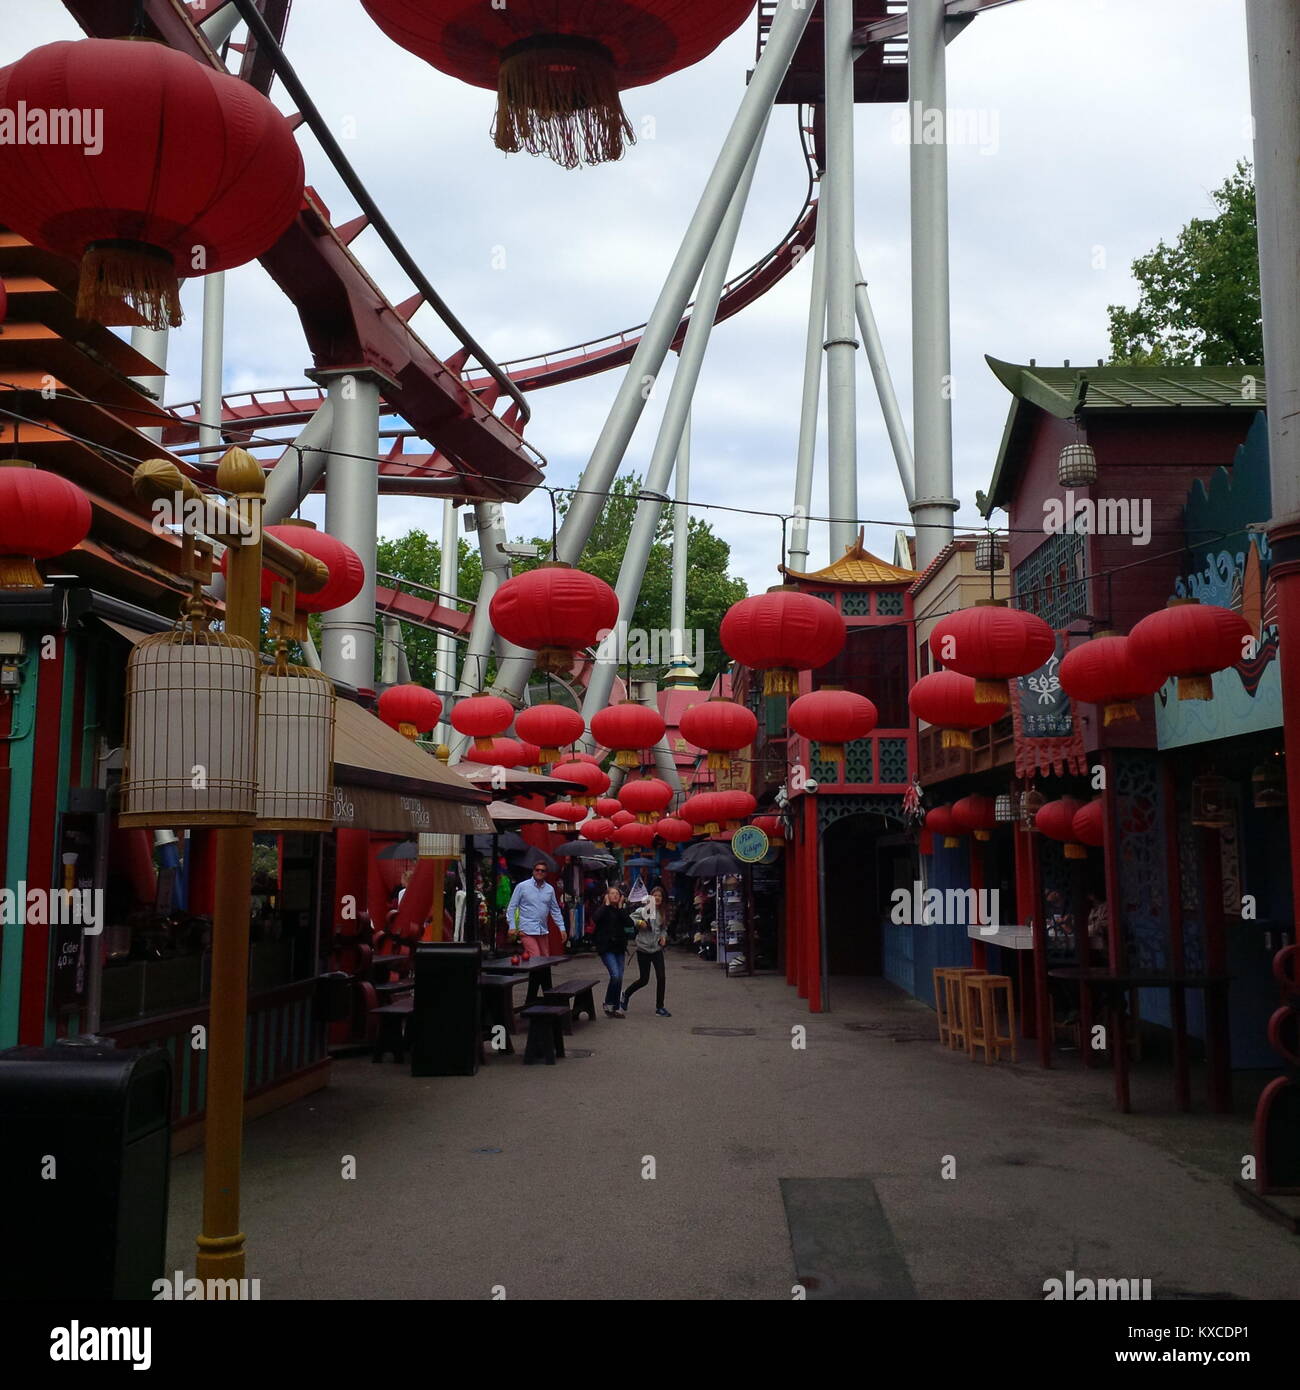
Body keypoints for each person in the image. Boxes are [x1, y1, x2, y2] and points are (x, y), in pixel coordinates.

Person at [622, 884, 671, 1017]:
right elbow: (630, 918)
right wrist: (639, 923)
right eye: (655, 896)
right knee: (644, 979)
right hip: (643, 950)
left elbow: (663, 929)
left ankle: (660, 1007)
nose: (657, 898)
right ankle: (626, 994)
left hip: (656, 950)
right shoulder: (644, 910)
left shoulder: (662, 912)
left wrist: (663, 937)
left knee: (661, 977)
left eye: (660, 896)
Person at [591, 884, 636, 1017]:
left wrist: (621, 908)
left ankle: (614, 1006)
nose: (615, 895)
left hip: (619, 948)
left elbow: (630, 925)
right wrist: (605, 905)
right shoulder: (603, 910)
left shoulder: (621, 911)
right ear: (607, 896)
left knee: (619, 977)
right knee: (615, 975)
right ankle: (608, 1003)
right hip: (606, 948)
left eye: (617, 894)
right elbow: (595, 919)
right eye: (612, 893)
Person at [505, 861, 564, 959]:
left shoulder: (549, 889)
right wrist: (512, 926)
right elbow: (512, 906)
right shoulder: (522, 886)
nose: (540, 872)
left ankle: (541, 975)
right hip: (526, 929)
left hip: (542, 930)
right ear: (533, 871)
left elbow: (555, 910)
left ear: (546, 873)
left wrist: (561, 928)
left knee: (545, 957)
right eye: (537, 870)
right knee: (535, 956)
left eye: (543, 871)